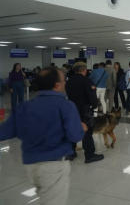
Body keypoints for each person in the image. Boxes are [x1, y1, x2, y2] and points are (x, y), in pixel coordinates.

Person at [0, 67, 86, 205]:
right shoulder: (66, 106)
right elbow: (75, 136)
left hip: (30, 166)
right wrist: (82, 128)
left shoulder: (24, 106)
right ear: (57, 85)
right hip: (54, 167)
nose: (65, 83)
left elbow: (3, 132)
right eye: (63, 80)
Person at [66, 62, 104, 163]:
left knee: (72, 130)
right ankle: (89, 155)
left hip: (72, 110)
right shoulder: (87, 81)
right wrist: (95, 105)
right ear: (84, 70)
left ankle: (71, 153)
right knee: (87, 132)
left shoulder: (69, 81)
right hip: (85, 110)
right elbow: (92, 97)